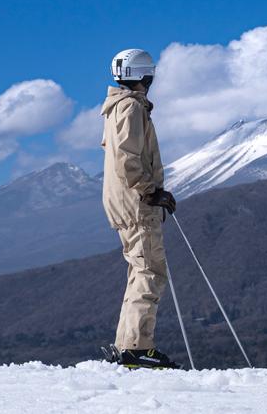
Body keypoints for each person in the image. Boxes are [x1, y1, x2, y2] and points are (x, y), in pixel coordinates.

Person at [101, 48, 179, 369]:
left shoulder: (115, 109)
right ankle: (137, 346)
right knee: (150, 270)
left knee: (138, 271)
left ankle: (127, 344)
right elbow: (128, 156)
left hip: (121, 202)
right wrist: (151, 192)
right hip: (136, 203)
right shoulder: (131, 108)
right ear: (146, 75)